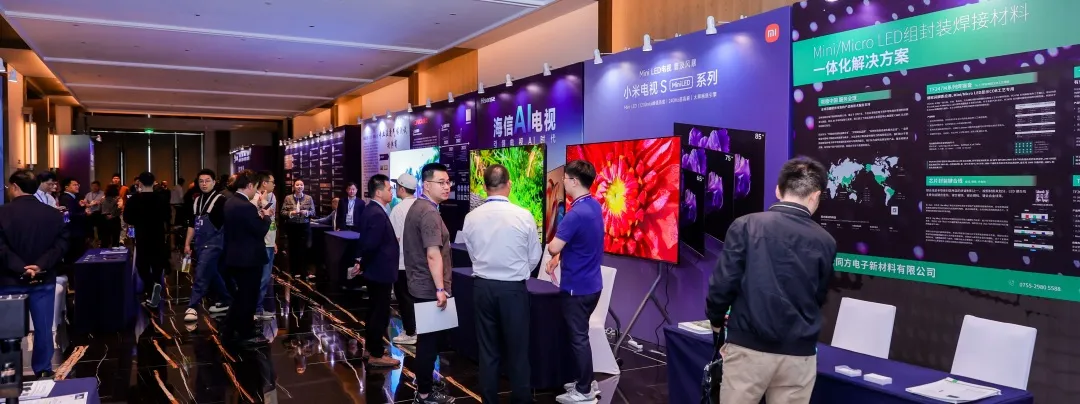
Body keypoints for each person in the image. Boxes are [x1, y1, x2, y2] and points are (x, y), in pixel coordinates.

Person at [706, 157, 836, 404]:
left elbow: (723, 283)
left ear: (778, 190)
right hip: (799, 355)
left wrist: (716, 320)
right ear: (816, 196)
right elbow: (819, 296)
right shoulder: (826, 241)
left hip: (749, 350)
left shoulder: (746, 225)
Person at [461, 164, 542, 404]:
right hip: (513, 290)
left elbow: (472, 253)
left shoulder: (471, 217)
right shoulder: (523, 215)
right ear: (509, 184)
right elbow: (534, 256)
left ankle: (489, 400)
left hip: (482, 288)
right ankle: (521, 400)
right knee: (518, 351)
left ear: (485, 187)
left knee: (487, 351)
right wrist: (519, 270)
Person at [0, 170, 68, 379]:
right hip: (43, 278)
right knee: (43, 327)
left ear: (15, 187)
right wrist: (39, 266)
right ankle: (43, 368)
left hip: (10, 279)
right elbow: (61, 245)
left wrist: (21, 267)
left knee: (8, 331)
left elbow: (1, 248)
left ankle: (9, 372)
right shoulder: (53, 214)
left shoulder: (2, 213)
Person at [547, 160, 605, 403]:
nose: (563, 183)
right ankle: (586, 380)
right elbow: (580, 243)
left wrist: (554, 250)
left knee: (578, 338)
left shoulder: (575, 214)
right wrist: (560, 256)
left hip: (576, 288)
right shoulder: (594, 205)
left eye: (565, 179)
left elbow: (553, 247)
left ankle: (584, 390)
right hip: (592, 285)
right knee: (580, 335)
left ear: (574, 181)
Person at [402, 163, 455, 404]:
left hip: (419, 284)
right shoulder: (429, 212)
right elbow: (433, 254)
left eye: (448, 182)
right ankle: (424, 393)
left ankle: (424, 382)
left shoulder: (418, 206)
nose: (447, 187)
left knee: (428, 340)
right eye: (441, 182)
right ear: (426, 185)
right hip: (429, 288)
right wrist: (440, 289)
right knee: (428, 343)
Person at [350, 174, 401, 368]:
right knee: (379, 312)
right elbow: (371, 244)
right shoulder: (377, 213)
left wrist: (361, 262)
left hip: (376, 270)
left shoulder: (372, 209)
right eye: (389, 189)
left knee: (374, 310)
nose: (391, 192)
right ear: (378, 192)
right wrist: (362, 263)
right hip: (380, 271)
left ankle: (372, 348)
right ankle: (376, 354)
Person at [222, 170, 273, 343]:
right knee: (248, 297)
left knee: (241, 296)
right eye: (256, 187)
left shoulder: (230, 202)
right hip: (249, 259)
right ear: (250, 185)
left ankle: (231, 327)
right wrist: (266, 217)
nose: (256, 192)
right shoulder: (245, 206)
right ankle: (246, 331)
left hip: (235, 256)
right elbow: (259, 230)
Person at [182, 169, 232, 322]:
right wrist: (187, 244)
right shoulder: (196, 200)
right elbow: (192, 224)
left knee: (201, 273)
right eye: (201, 181)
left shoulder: (221, 200)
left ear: (214, 182)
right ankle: (227, 300)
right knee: (213, 273)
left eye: (207, 181)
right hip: (199, 243)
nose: (204, 184)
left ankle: (192, 306)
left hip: (214, 244)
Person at [123, 172, 172, 308]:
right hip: (158, 235)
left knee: (142, 265)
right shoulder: (161, 198)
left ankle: (151, 287)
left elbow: (127, 218)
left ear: (139, 183)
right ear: (154, 182)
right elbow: (168, 216)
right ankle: (155, 289)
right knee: (157, 264)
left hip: (142, 235)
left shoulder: (134, 199)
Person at [389, 174, 419, 345]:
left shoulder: (398, 209)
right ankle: (419, 330)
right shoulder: (422, 206)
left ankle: (410, 332)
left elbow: (395, 238)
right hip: (419, 262)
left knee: (405, 298)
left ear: (401, 188)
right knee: (417, 298)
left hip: (402, 262)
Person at [252, 171, 278, 321]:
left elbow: (271, 220)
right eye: (272, 182)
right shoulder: (255, 198)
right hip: (261, 243)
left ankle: (258, 307)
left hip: (269, 241)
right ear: (264, 183)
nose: (274, 185)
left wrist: (274, 241)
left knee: (265, 278)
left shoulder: (272, 196)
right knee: (262, 278)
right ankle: (257, 309)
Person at [281, 179, 315, 279]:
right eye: (297, 185)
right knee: (293, 249)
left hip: (304, 226)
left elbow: (313, 212)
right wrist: (291, 213)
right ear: (294, 186)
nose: (299, 186)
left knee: (304, 249)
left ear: (303, 186)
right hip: (292, 226)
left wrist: (307, 213)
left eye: (301, 185)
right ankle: (294, 271)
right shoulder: (288, 198)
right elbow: (282, 212)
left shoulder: (309, 198)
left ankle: (304, 272)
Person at [58, 178, 89, 265]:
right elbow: (68, 216)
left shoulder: (73, 197)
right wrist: (84, 213)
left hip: (76, 231)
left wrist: (81, 206)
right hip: (73, 232)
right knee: (74, 257)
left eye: (78, 185)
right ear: (66, 187)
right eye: (74, 185)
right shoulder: (66, 198)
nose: (77, 186)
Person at [84, 181, 104, 246]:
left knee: (100, 227)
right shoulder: (88, 194)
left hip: (99, 212)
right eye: (93, 186)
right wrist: (88, 204)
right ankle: (91, 240)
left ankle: (100, 240)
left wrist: (98, 202)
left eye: (96, 186)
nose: (94, 187)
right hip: (90, 213)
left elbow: (104, 202)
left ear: (99, 186)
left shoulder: (103, 193)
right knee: (90, 226)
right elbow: (85, 202)